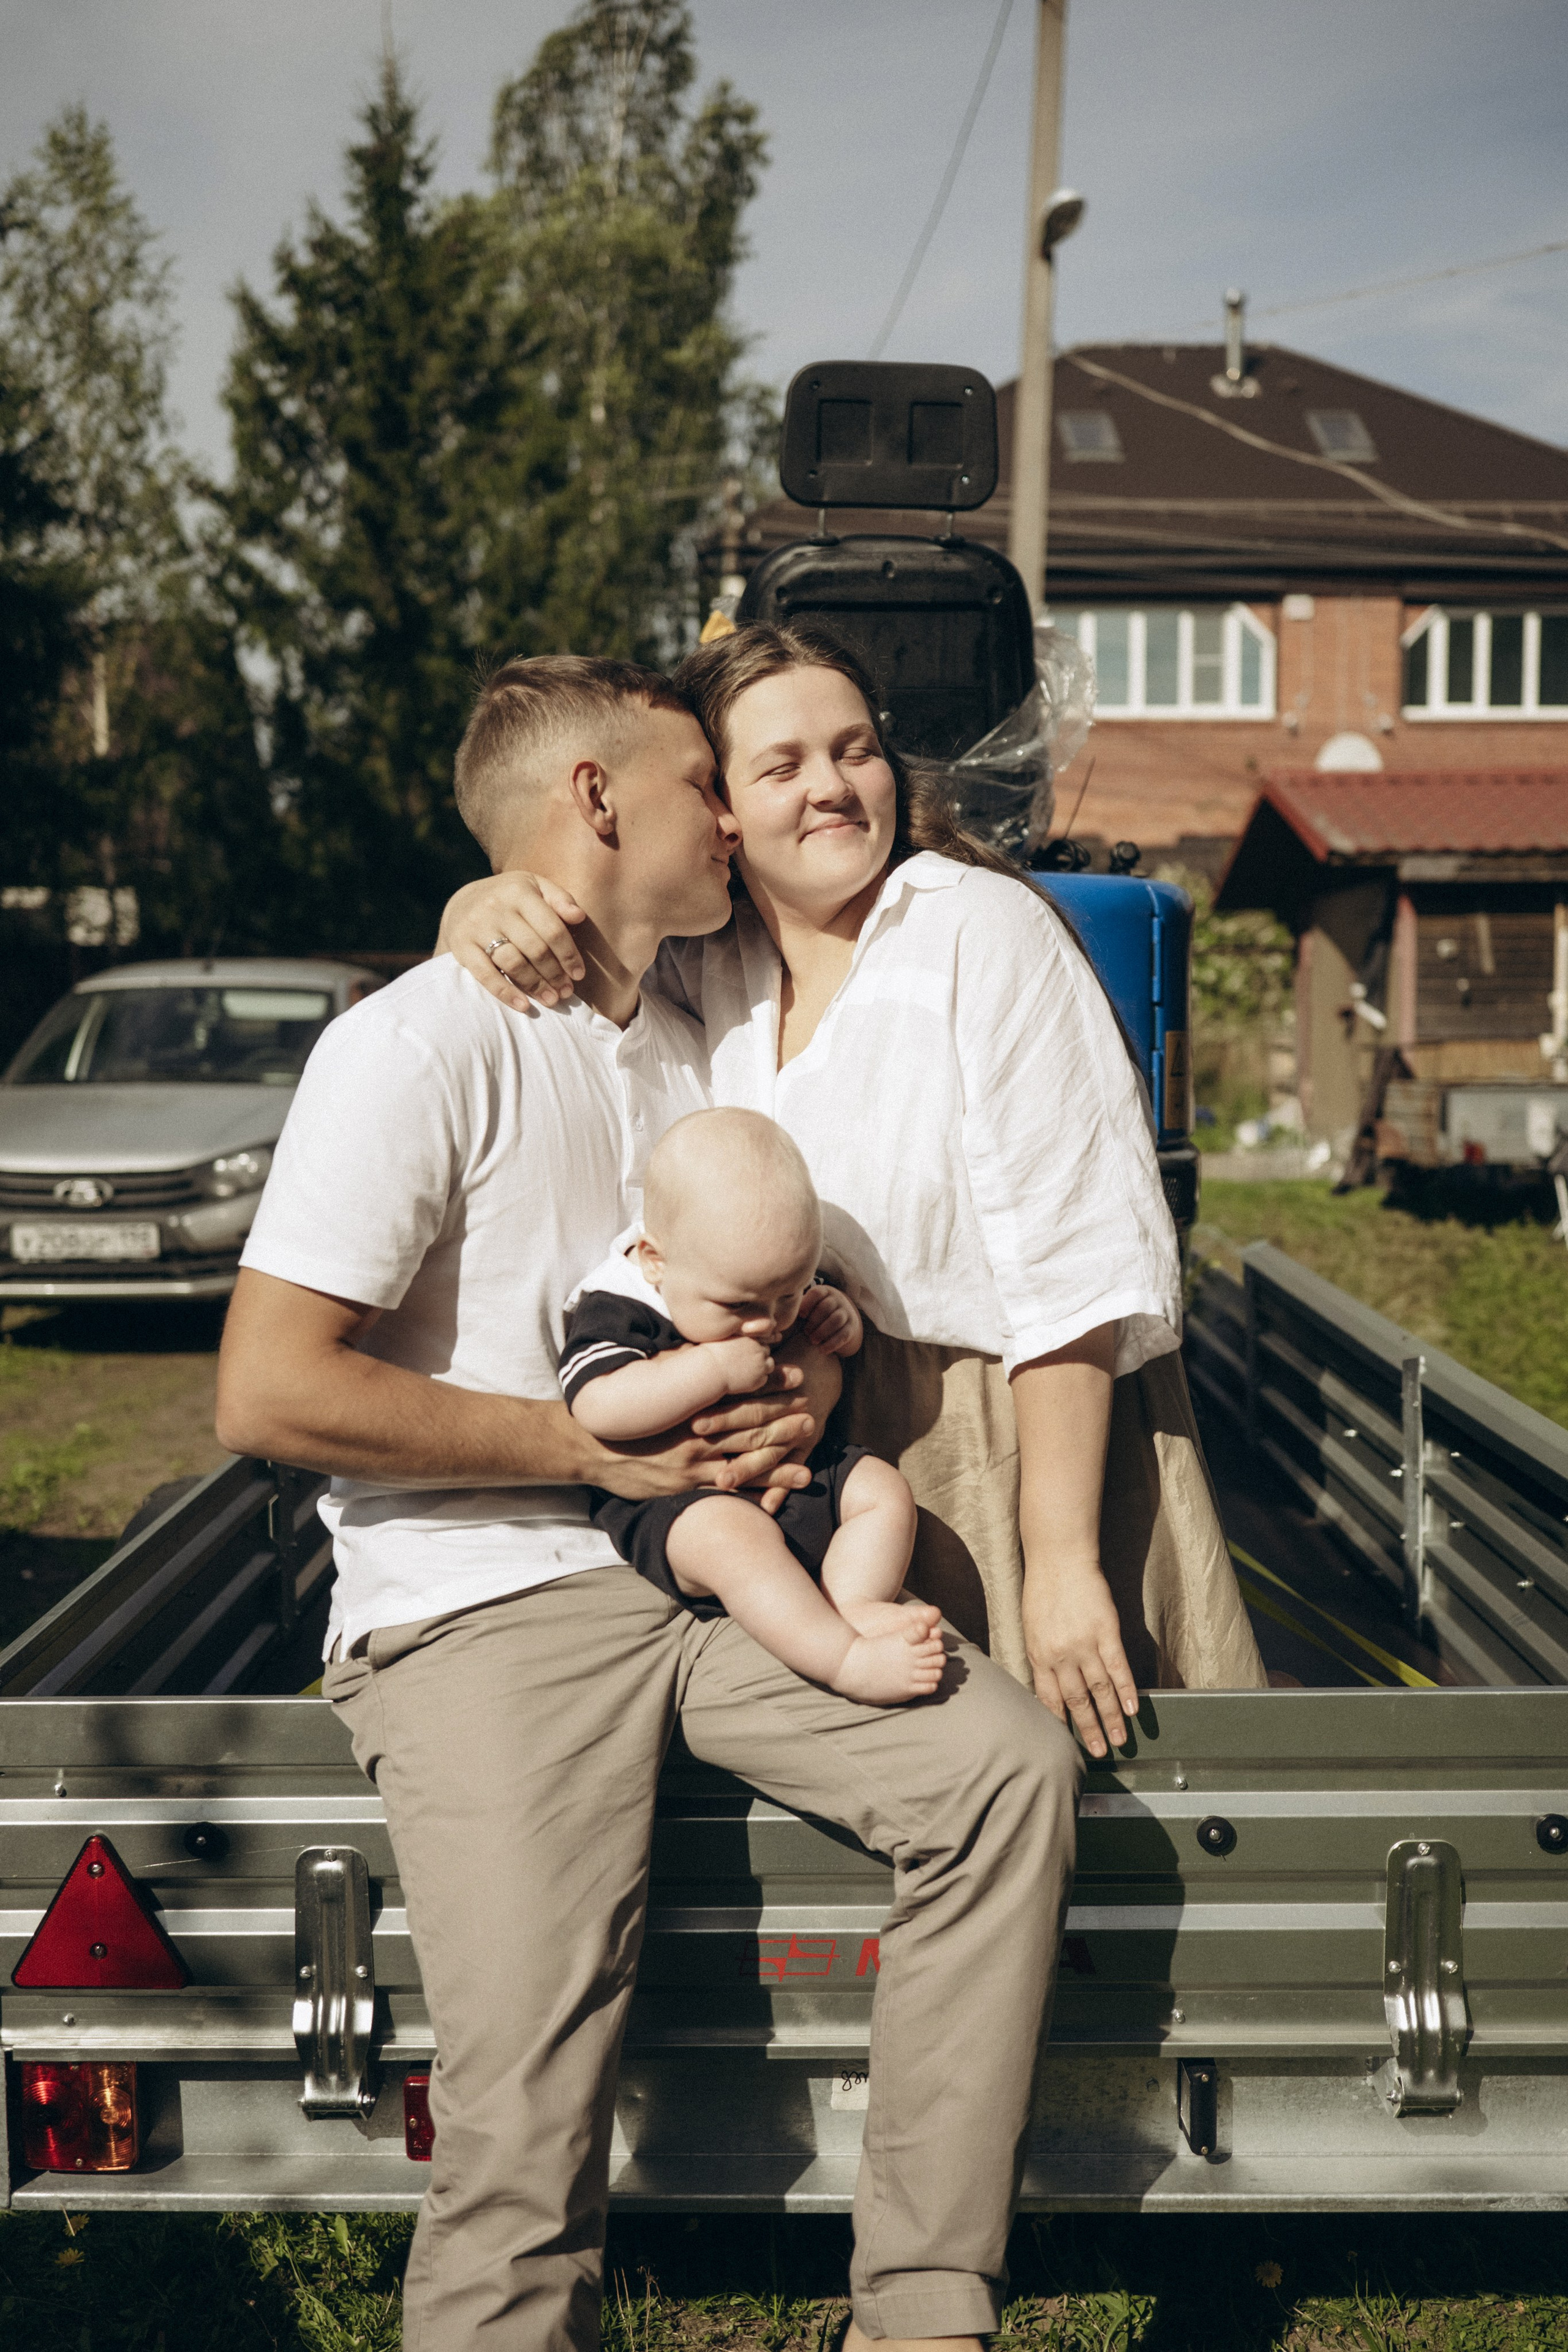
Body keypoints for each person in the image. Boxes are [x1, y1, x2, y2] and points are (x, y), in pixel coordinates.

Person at [217, 652, 1084, 2352]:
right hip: (479, 1602)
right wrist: (587, 1451)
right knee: (528, 2104)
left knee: (1001, 1772)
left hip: (720, 1575)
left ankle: (921, 2311)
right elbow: (266, 1391)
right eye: (707, 780)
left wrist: (798, 1395)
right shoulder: (417, 1040)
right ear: (599, 803)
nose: (732, 817)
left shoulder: (700, 1030)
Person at [439, 622, 1268, 1740]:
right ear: (718, 807)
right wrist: (475, 906)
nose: (832, 786)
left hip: (1009, 1443)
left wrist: (1064, 1562)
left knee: (1064, 1793)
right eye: (781, 766)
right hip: (803, 1457)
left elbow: (1073, 1274)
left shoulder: (981, 931)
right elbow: (572, 927)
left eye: (856, 750)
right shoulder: (704, 965)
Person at [564, 1106, 941, 1704]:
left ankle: (851, 1604)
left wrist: (835, 1319)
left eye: (788, 1295)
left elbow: (815, 1309)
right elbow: (598, 1408)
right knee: (735, 1542)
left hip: (804, 1475)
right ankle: (842, 1660)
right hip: (687, 1507)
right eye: (740, 1306)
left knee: (883, 1492)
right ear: (656, 1259)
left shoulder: (758, 1271)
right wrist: (707, 1367)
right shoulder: (620, 1306)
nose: (767, 1323)